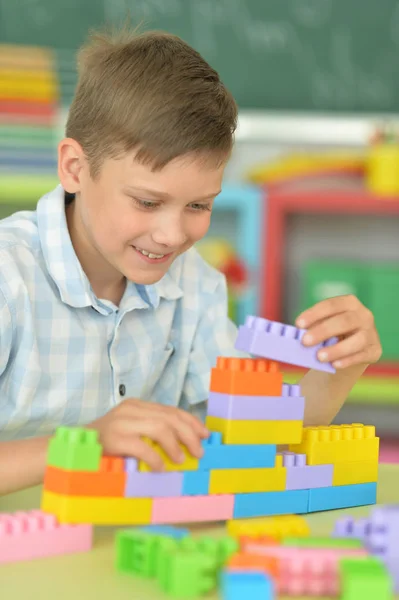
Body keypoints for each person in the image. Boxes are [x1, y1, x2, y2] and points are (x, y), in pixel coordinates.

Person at [0, 28, 381, 495]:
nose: (172, 235)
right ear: (75, 169)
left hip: (120, 550)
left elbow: (256, 444)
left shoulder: (193, 284)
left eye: (198, 206)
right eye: (146, 202)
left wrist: (338, 369)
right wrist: (85, 444)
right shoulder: (9, 279)